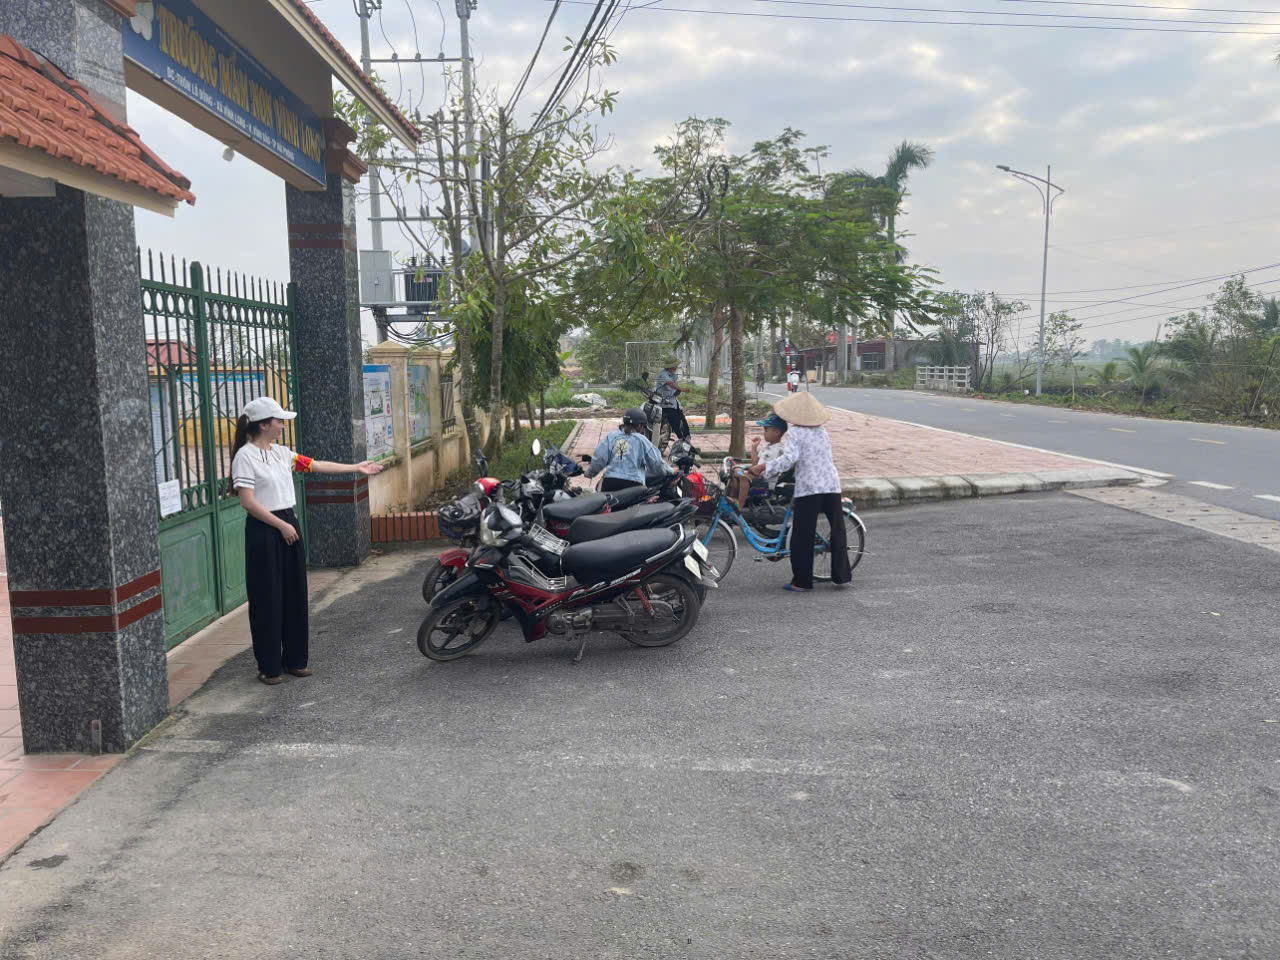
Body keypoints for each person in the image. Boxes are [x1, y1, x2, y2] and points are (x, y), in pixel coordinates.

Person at [231, 397, 383, 685]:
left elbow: (316, 465)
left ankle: (295, 660)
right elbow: (248, 502)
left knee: (295, 593)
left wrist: (356, 467)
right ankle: (269, 666)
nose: (282, 425)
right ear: (264, 425)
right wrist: (281, 525)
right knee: (267, 596)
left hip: (289, 524)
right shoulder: (245, 457)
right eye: (279, 421)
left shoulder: (282, 453)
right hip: (265, 530)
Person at [748, 392, 851, 592]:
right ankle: (842, 576)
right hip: (831, 484)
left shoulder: (795, 432)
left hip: (810, 488)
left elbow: (789, 460)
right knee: (838, 530)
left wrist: (764, 467)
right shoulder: (822, 431)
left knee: (802, 535)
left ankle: (802, 581)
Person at [587, 407, 674, 493]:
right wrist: (671, 471)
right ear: (639, 426)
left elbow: (599, 458)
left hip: (610, 483)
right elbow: (657, 463)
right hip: (634, 485)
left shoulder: (611, 437)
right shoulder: (642, 440)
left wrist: (590, 473)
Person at [736, 412, 787, 504]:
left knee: (743, 477)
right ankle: (733, 499)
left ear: (776, 432)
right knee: (735, 471)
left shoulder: (779, 450)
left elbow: (772, 470)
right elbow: (755, 463)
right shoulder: (766, 447)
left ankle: (739, 505)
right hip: (757, 478)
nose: (764, 433)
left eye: (766, 430)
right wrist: (753, 447)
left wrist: (755, 472)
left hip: (765, 487)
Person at [654, 357, 692, 440]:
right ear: (671, 367)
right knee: (675, 422)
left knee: (682, 420)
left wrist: (678, 390)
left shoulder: (673, 375)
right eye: (675, 366)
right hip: (665, 403)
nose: (676, 368)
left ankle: (687, 438)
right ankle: (682, 439)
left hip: (673, 401)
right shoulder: (663, 374)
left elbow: (673, 385)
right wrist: (682, 389)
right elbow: (670, 383)